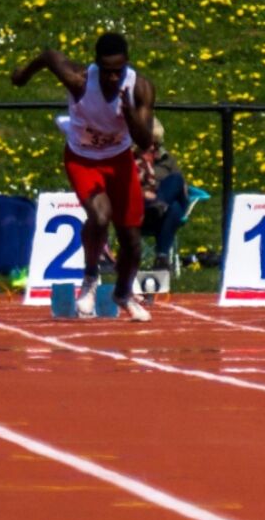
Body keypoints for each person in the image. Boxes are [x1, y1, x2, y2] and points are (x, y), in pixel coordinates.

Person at [11, 32, 157, 322]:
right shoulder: (79, 80)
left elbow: (144, 142)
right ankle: (90, 278)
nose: (113, 78)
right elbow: (49, 56)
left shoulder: (140, 88)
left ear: (127, 65)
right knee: (100, 216)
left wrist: (129, 117)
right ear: (96, 66)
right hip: (83, 159)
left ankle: (123, 293)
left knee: (132, 240)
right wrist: (22, 76)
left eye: (119, 71)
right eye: (107, 71)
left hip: (120, 160)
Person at [136, 118, 192, 271]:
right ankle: (162, 256)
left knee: (176, 180)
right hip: (142, 211)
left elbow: (182, 186)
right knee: (173, 208)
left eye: (156, 144)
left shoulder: (167, 160)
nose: (153, 147)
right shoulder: (131, 162)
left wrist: (160, 196)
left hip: (162, 205)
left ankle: (159, 205)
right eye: (149, 143)